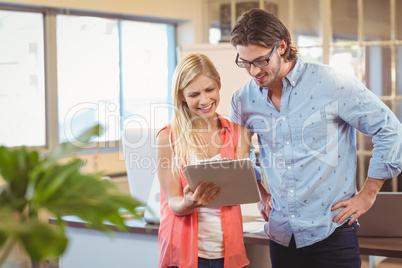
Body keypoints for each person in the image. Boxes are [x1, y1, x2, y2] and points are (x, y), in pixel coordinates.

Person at [229, 8, 402, 268]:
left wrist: (368, 193)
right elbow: (237, 155)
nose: (253, 71)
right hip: (282, 236)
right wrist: (261, 192)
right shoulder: (243, 100)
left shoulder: (332, 83)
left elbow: (390, 129)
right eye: (245, 62)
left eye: (261, 60)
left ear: (282, 47)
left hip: (332, 231)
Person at [156, 53, 251, 268]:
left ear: (219, 83)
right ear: (181, 96)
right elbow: (173, 202)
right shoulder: (167, 138)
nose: (205, 100)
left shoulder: (239, 134)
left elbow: (238, 192)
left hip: (229, 252)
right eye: (194, 94)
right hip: (182, 252)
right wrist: (188, 203)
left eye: (209, 90)